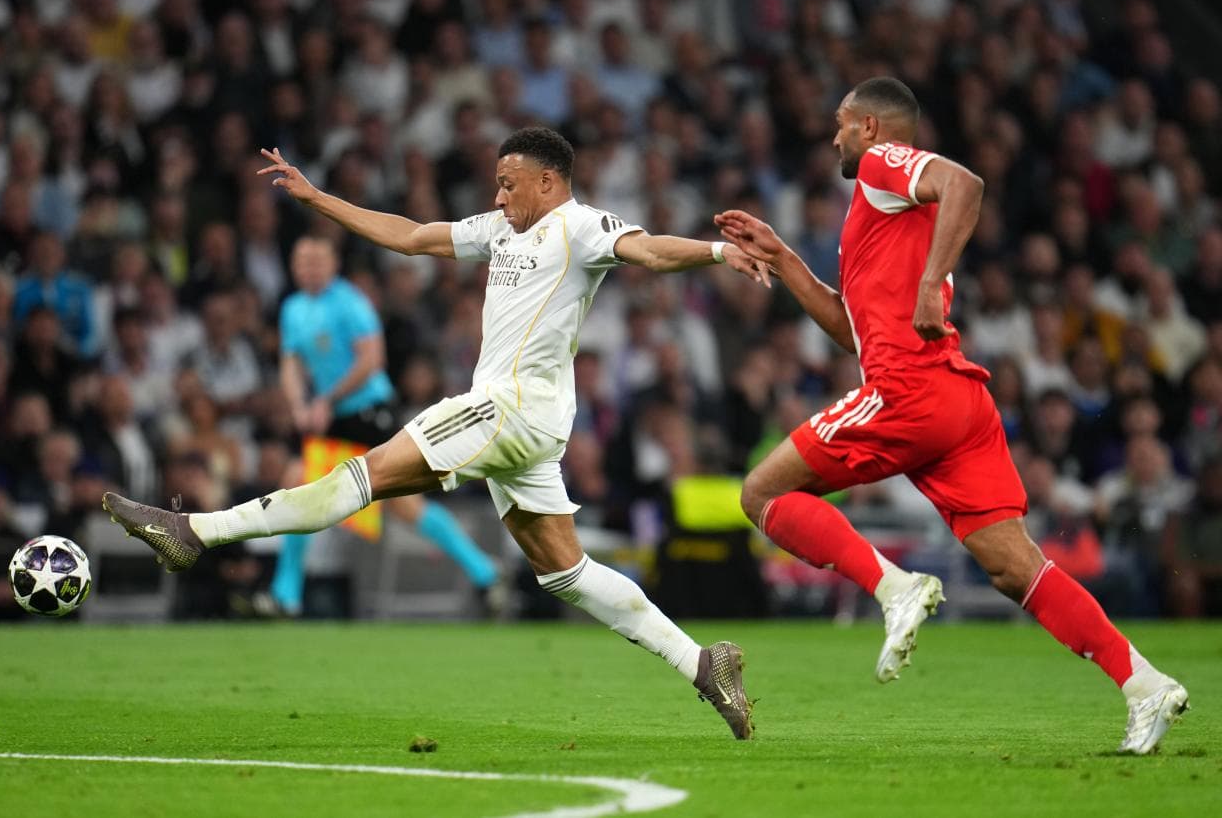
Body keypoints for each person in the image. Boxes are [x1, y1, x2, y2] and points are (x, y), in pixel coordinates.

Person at [103, 126, 769, 739]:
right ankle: (702, 662)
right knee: (566, 572)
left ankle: (195, 533)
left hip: (507, 408)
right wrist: (320, 199)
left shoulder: (580, 226)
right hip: (528, 426)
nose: (498, 193)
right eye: (497, 182)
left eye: (510, 182)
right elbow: (414, 235)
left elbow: (648, 250)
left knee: (358, 478)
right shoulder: (502, 230)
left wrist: (716, 252)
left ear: (549, 180)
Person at [715, 77, 1188, 755]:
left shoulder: (884, 166)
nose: (834, 136)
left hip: (909, 391)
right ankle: (1144, 685)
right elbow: (853, 332)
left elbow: (966, 181)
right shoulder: (882, 213)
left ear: (873, 128)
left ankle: (894, 588)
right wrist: (785, 258)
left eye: (843, 124)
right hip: (957, 402)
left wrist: (935, 283)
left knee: (762, 493)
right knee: (1015, 567)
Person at [277, 235, 503, 612]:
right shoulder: (293, 308)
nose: (309, 267)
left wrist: (324, 399)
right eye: (303, 260)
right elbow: (291, 362)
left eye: (317, 259)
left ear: (333, 264)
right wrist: (299, 404)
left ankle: (483, 571)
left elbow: (370, 360)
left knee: (400, 506)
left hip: (368, 414)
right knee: (296, 481)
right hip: (332, 418)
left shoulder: (350, 303)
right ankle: (286, 595)